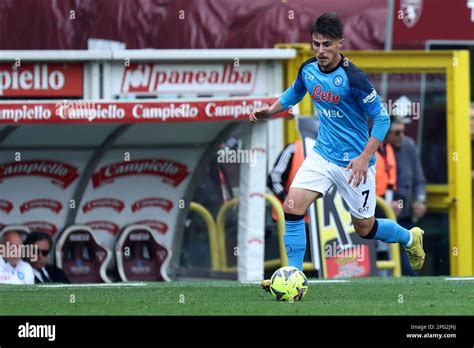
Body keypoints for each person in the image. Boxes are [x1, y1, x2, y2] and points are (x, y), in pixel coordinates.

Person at [249, 12, 425, 290]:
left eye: (327, 44)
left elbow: (382, 119)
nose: (320, 51)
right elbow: (296, 91)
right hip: (321, 155)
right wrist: (271, 110)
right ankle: (292, 276)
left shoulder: (355, 79)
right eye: (316, 44)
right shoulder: (308, 69)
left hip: (354, 163)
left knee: (365, 228)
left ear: (340, 43)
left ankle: (409, 238)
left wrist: (365, 158)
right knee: (292, 206)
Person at [387, 116, 427, 276]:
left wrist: (420, 201)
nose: (401, 136)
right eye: (397, 132)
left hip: (404, 217)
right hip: (381, 216)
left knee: (410, 266)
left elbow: (419, 180)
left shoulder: (408, 147)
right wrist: (385, 202)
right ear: (386, 133)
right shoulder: (375, 150)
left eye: (403, 131)